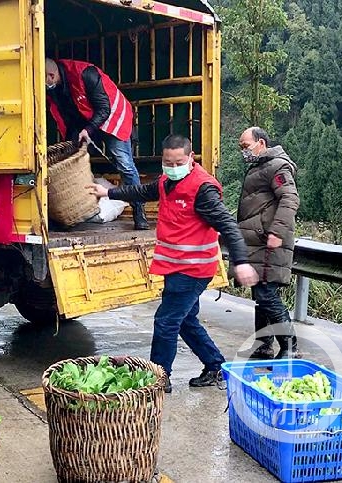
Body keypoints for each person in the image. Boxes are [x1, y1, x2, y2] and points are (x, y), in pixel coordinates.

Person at [88, 135, 258, 392]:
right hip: (175, 266)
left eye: (179, 161)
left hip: (193, 270)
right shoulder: (167, 181)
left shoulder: (203, 189)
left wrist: (241, 261)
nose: (173, 165)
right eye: (168, 161)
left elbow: (228, 227)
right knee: (186, 320)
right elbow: (141, 191)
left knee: (166, 321)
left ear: (191, 158)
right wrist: (108, 191)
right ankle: (215, 366)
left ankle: (159, 378)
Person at [45, 57, 149, 230]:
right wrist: (73, 141)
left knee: (125, 165)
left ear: (51, 75)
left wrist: (88, 130)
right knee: (76, 158)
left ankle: (139, 211)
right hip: (86, 121)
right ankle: (80, 210)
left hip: (112, 117)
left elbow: (104, 108)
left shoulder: (85, 73)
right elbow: (67, 115)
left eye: (45, 81)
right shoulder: (54, 89)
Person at [235, 127, 300, 360]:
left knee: (266, 294)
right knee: (260, 294)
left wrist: (276, 231)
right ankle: (264, 345)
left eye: (245, 146)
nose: (243, 151)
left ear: (260, 143)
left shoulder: (277, 166)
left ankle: (290, 346)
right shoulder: (260, 166)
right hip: (258, 241)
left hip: (269, 241)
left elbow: (290, 198)